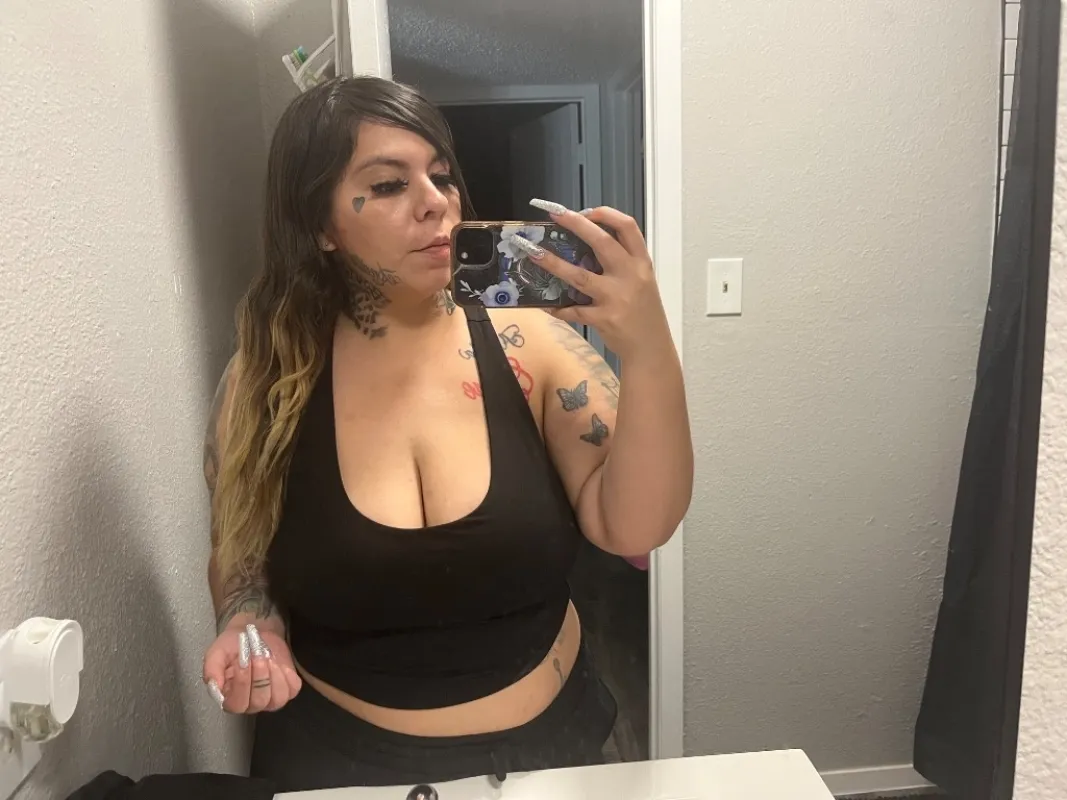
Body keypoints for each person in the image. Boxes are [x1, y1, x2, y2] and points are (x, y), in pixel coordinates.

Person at [200, 75, 693, 793]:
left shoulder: (532, 345)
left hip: (553, 757)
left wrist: (647, 348)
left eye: (441, 175)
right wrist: (251, 627)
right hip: (337, 766)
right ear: (320, 225)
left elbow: (636, 527)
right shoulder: (267, 381)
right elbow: (240, 554)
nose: (436, 201)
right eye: (389, 184)